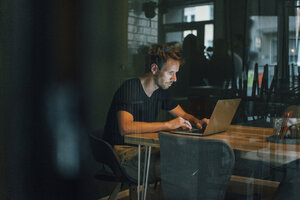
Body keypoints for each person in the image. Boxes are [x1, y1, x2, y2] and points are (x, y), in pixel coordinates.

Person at [103, 44, 209, 182]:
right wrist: (168, 125)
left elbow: (183, 115)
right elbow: (125, 127)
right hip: (120, 154)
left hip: (143, 150)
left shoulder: (161, 92)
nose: (175, 78)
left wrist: (197, 121)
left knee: (189, 159)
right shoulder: (130, 88)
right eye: (171, 72)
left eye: (176, 73)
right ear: (154, 69)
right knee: (179, 167)